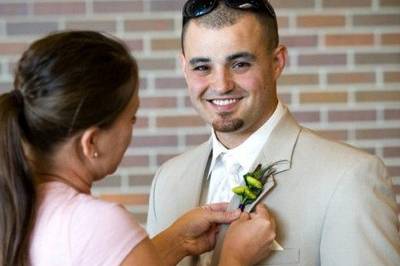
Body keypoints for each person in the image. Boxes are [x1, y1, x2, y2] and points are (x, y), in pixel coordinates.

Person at [147, 1, 400, 265]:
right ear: (184, 68)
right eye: (202, 67)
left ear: (277, 62)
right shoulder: (167, 181)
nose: (221, 85)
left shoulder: (350, 179)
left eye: (240, 64)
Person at [0, 30, 276, 266]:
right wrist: (234, 259)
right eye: (131, 118)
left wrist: (176, 241)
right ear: (91, 142)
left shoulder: (17, 206)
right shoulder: (95, 223)